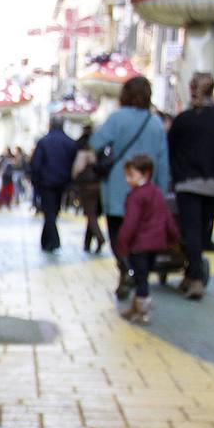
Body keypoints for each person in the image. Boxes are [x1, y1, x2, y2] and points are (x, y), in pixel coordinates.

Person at [90, 76, 170, 298]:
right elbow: (163, 161)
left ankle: (125, 268)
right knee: (140, 236)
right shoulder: (156, 123)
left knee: (118, 233)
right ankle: (136, 272)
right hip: (146, 190)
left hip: (118, 186)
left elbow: (95, 143)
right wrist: (160, 192)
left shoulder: (117, 118)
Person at [167, 72, 214, 300]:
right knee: (202, 230)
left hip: (188, 183)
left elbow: (171, 151)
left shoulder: (184, 119)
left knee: (190, 230)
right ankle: (190, 274)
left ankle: (195, 277)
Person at [114, 154, 180, 324]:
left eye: (131, 175)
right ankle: (136, 307)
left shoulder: (135, 196)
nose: (128, 180)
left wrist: (122, 242)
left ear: (145, 173)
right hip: (156, 243)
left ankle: (142, 311)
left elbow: (131, 222)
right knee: (143, 275)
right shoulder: (157, 193)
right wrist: (174, 237)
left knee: (140, 278)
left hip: (139, 245)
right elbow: (167, 217)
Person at [29, 115, 79, 252]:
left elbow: (35, 164)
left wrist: (35, 181)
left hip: (46, 182)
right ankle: (47, 241)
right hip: (62, 182)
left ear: (50, 124)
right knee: (53, 211)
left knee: (49, 212)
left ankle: (53, 241)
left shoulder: (44, 142)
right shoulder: (70, 143)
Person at [71, 129, 108, 252]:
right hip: (99, 185)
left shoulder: (83, 152)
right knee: (93, 214)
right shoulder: (100, 151)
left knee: (91, 215)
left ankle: (100, 237)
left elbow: (76, 170)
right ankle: (87, 243)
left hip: (86, 187)